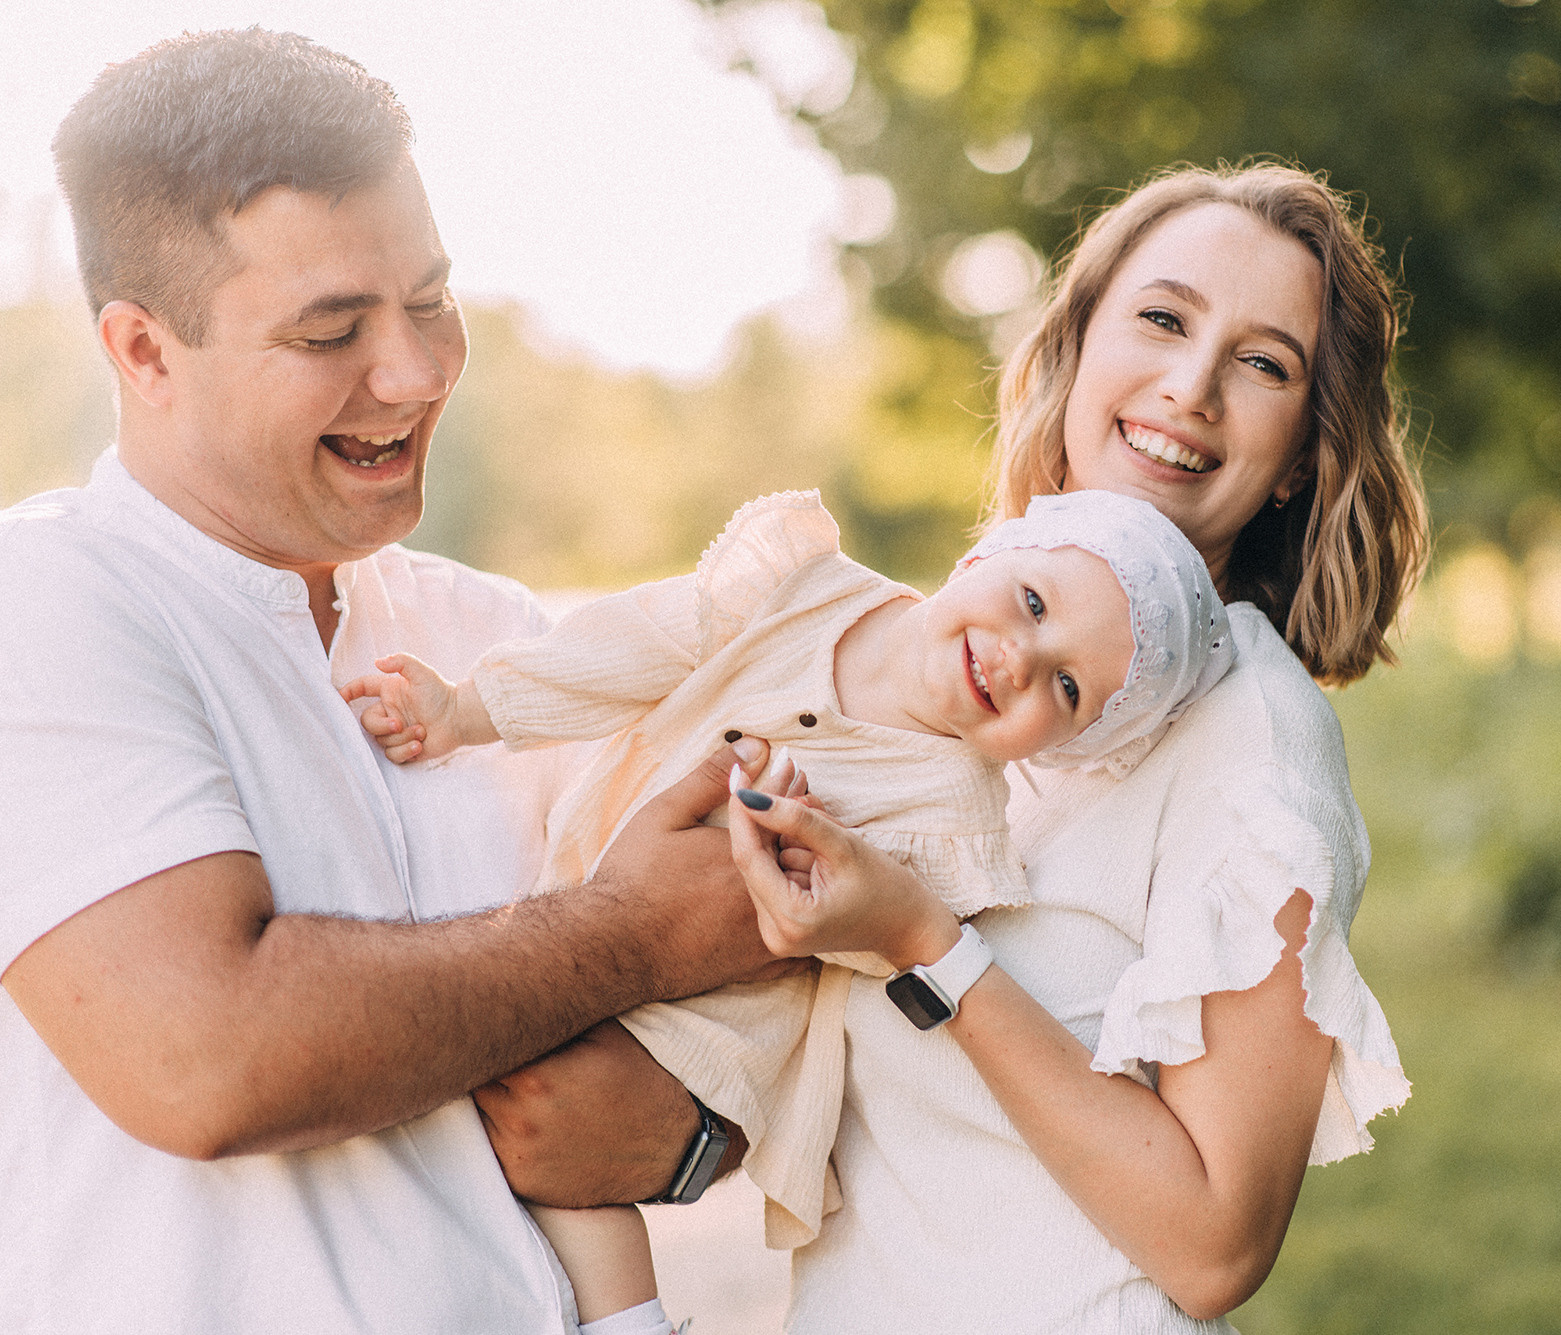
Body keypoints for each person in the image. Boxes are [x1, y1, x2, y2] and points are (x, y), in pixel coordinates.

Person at [0, 30, 781, 1335]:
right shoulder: (47, 603)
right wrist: (635, 931)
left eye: (428, 297)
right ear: (142, 351)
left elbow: (738, 1011)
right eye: (331, 330)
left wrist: (696, 1135)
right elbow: (207, 1056)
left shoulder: (499, 635)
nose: (416, 372)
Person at [706, 162, 1430, 1332]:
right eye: (1160, 318)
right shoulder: (967, 658)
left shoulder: (1253, 750)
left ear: (1300, 453)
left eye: (1261, 364)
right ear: (1078, 344)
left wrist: (920, 943)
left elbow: (1212, 1248)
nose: (1190, 386)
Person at [340, 485, 1235, 1324]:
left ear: (1065, 746)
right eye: (1034, 604)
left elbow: (848, 946)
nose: (1017, 659)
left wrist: (802, 862)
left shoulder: (956, 826)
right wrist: (471, 706)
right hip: (585, 877)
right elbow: (638, 641)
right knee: (464, 1038)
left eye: (1066, 688)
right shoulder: (804, 586)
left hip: (715, 1017)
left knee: (562, 1161)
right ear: (987, 556)